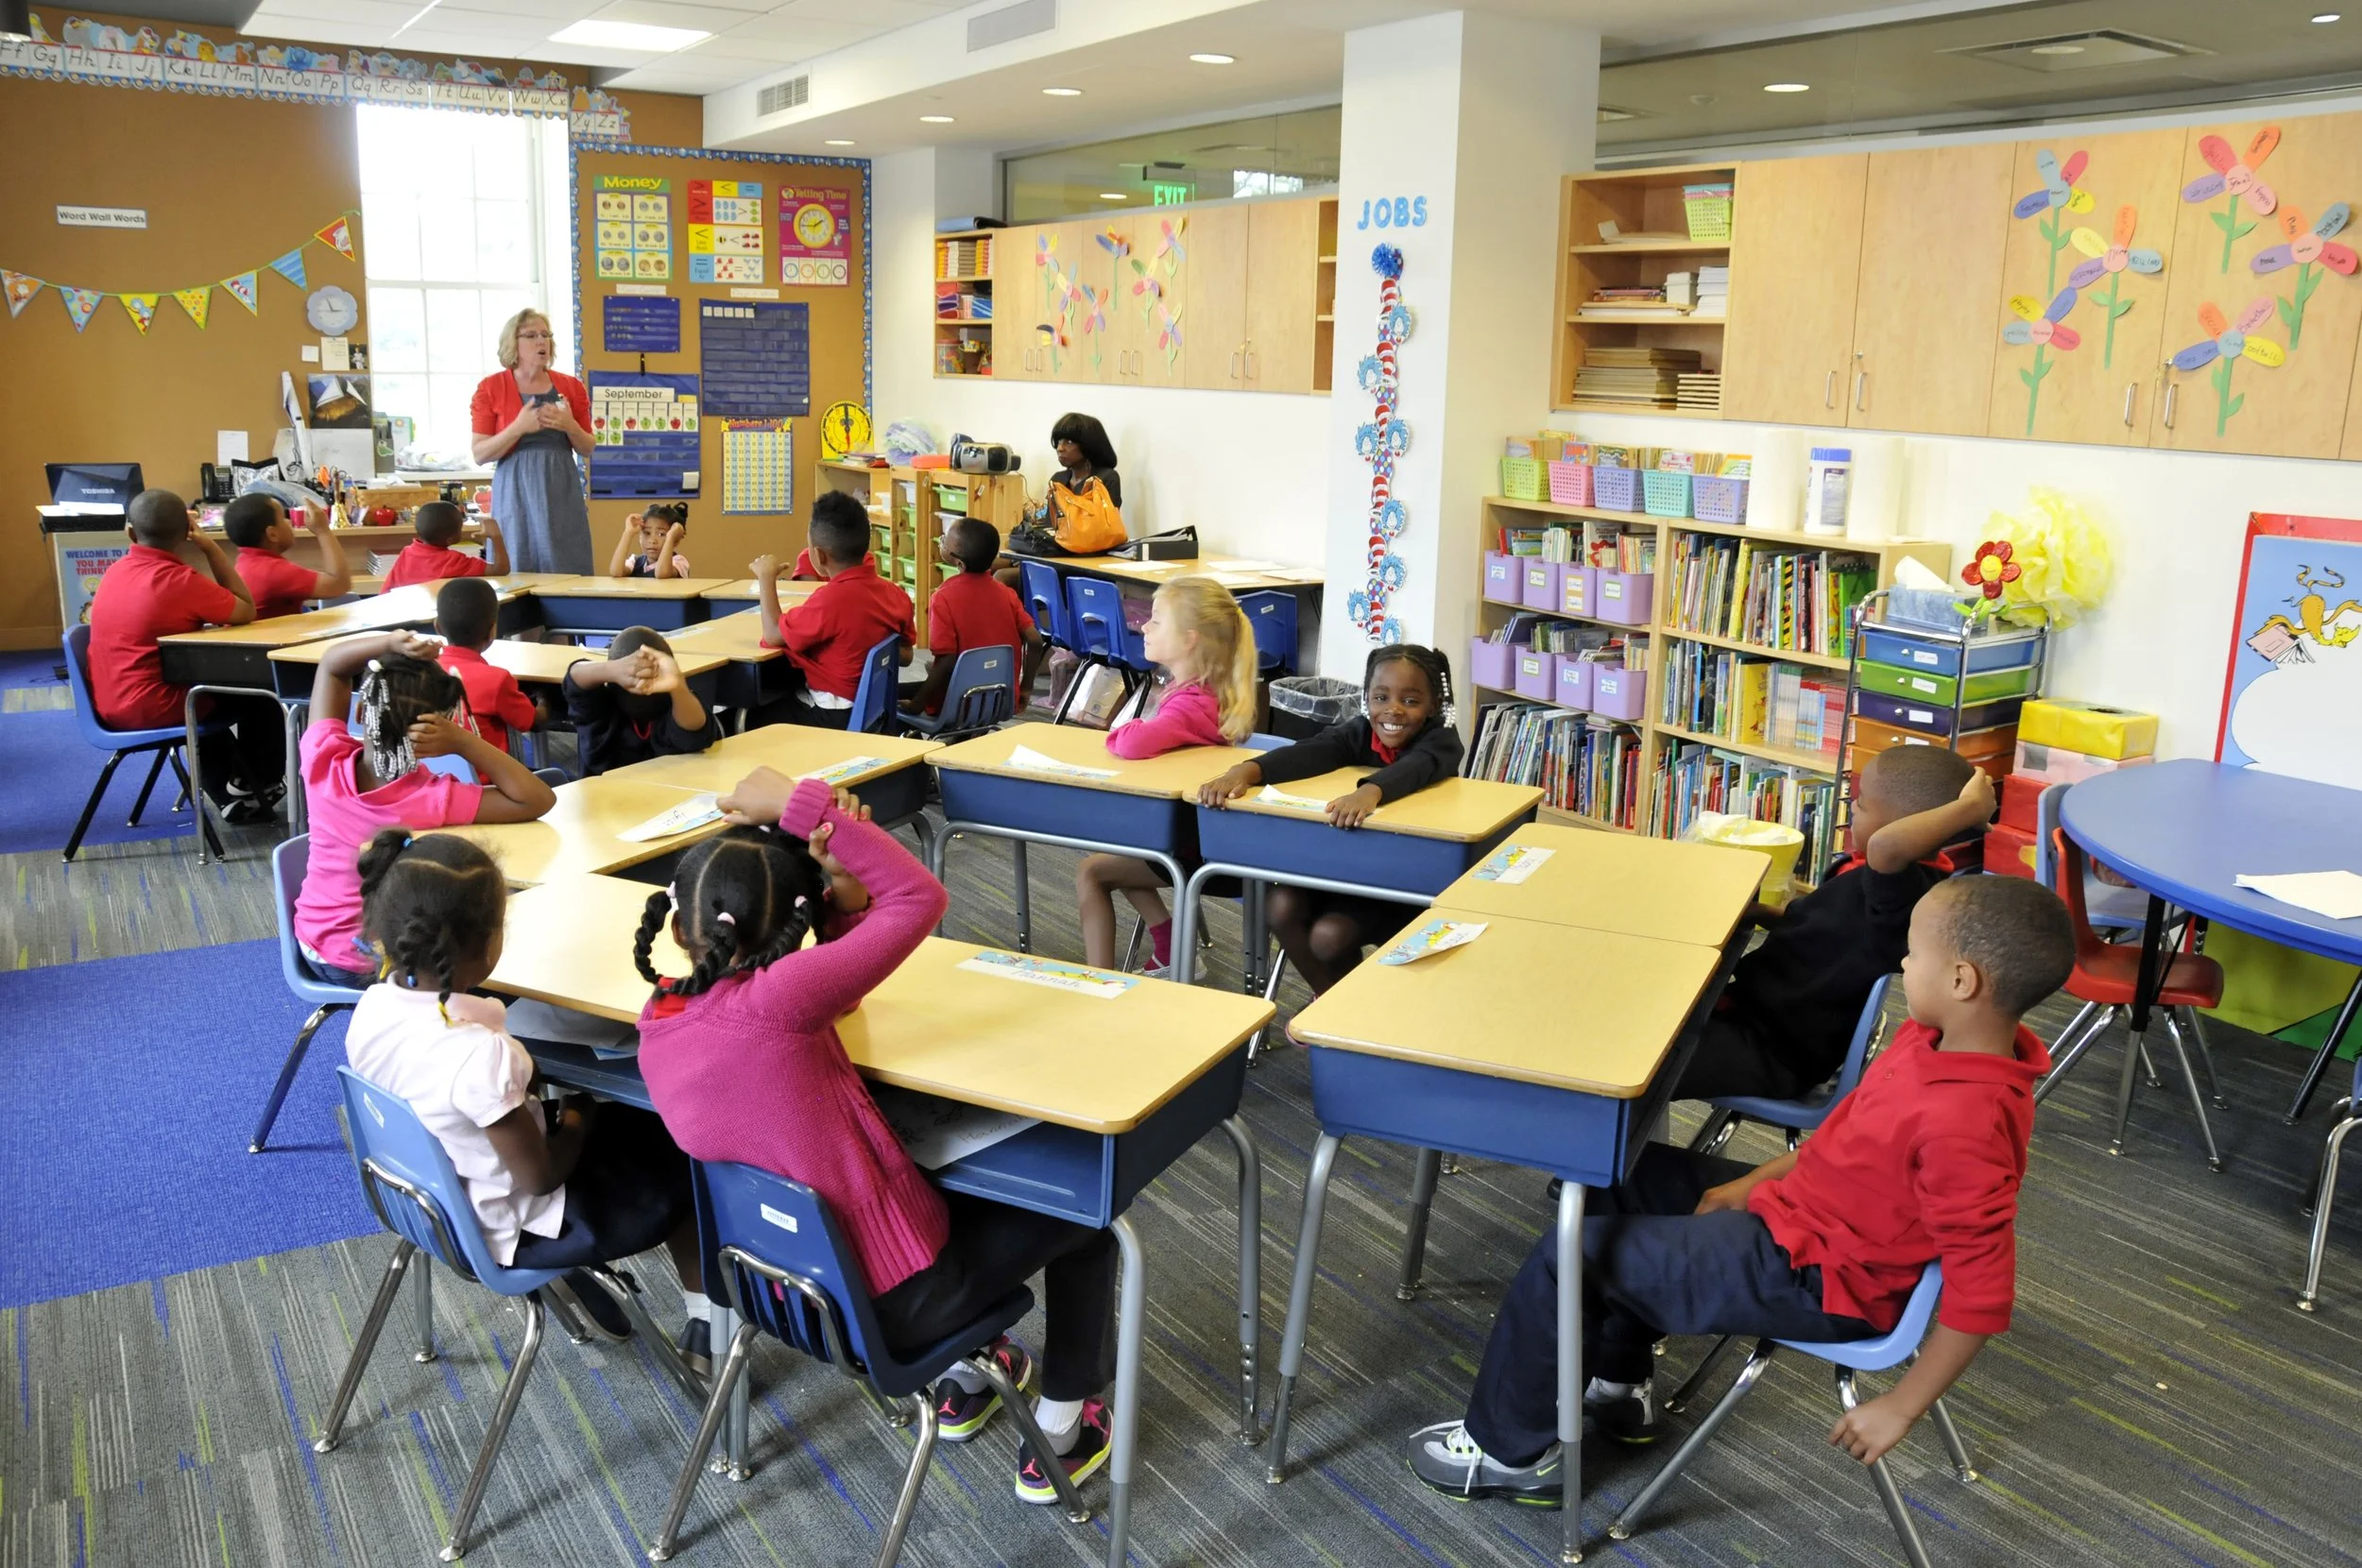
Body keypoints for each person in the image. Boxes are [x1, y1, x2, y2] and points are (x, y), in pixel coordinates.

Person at [1405, 874, 2074, 1504]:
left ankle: (1511, 1456)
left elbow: (1982, 1294)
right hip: (1805, 1216)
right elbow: (1846, 1138)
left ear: (1962, 980)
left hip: (1825, 1276)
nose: (1903, 967)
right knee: (1613, 1172)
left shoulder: (1970, 1123)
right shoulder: (1929, 1039)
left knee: (1574, 1253)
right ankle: (1618, 1379)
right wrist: (1751, 1184)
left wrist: (1901, 1406)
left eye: (1913, 957)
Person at [636, 771, 1121, 1499]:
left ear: (680, 930)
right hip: (893, 1305)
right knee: (1091, 1217)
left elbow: (840, 988)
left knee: (930, 1177)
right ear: (798, 925)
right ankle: (1063, 1427)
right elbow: (921, 898)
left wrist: (843, 902)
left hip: (787, 1292)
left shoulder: (661, 1017)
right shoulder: (783, 1001)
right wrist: (813, 811)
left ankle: (970, 1375)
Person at [343, 828, 703, 1355]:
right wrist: (580, 1110)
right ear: (488, 942)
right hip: (518, 1220)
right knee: (684, 1143)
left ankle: (572, 1275)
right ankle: (708, 1328)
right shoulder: (478, 1055)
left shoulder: (372, 1009)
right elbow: (540, 1177)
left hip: (434, 1203)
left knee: (599, 1120)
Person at [1674, 748, 1997, 1102]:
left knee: (1638, 1066)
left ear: (1905, 826)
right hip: (1750, 1011)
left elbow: (1886, 847)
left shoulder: (1907, 892)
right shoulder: (1869, 873)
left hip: (1773, 1051)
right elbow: (1818, 924)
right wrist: (1760, 912)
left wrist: (1970, 810)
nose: (1852, 808)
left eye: (1863, 803)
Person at [293, 631, 556, 986]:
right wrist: (465, 742)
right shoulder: (430, 799)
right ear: (435, 733)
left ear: (359, 711)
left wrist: (389, 643)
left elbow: (332, 666)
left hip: (313, 944)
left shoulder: (323, 757)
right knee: (496, 949)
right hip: (375, 965)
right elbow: (537, 799)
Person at [1197, 644, 1463, 994]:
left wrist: (1369, 792)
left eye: (1410, 701)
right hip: (1341, 869)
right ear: (1367, 698)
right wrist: (1247, 770)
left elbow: (1418, 767)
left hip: (1400, 884)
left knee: (1328, 936)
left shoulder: (1442, 739)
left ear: (1434, 707)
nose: (1393, 710)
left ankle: (1350, 1011)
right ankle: (1330, 1007)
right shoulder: (1360, 730)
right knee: (1279, 904)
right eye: (1380, 697)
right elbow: (1313, 751)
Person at [1074, 577, 1257, 973]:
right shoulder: (1201, 692)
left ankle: (1098, 984)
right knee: (1116, 847)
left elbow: (1131, 743)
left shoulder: (1192, 704)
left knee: (1093, 870)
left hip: (1197, 848)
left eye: (1157, 620)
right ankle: (1171, 947)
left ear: (1190, 639)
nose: (1144, 626)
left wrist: (1119, 730)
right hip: (1194, 837)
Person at [87, 488, 284, 822]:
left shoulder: (114, 571)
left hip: (105, 704)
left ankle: (231, 794)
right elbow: (245, 610)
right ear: (186, 534)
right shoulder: (180, 580)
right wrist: (210, 548)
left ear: (131, 533)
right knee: (261, 695)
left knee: (203, 692)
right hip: (154, 708)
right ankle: (260, 784)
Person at [753, 491, 915, 727]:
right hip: (874, 708)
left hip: (834, 715)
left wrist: (766, 579)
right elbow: (907, 655)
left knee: (740, 719)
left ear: (818, 555)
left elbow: (773, 634)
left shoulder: (830, 600)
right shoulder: (896, 594)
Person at [468, 307, 594, 575]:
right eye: (531, 335)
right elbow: (480, 454)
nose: (541, 341)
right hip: (515, 487)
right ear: (513, 343)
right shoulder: (491, 388)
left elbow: (588, 447)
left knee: (565, 559)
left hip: (560, 485)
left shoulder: (571, 387)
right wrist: (518, 428)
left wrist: (569, 425)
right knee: (516, 557)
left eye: (546, 335)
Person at [901, 517, 1041, 719]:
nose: (941, 541)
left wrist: (917, 704)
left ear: (959, 563)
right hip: (1001, 700)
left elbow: (947, 661)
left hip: (958, 704)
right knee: (932, 668)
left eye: (944, 541)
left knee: (900, 691)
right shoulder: (1006, 593)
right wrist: (1026, 688)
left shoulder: (943, 597)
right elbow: (1035, 640)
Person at [560, 626, 720, 775]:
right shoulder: (602, 711)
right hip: (606, 801)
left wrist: (678, 687)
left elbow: (695, 732)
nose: (642, 687)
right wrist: (612, 669)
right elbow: (574, 681)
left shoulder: (678, 706)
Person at [996, 413, 1123, 590]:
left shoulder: (1106, 479)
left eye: (1069, 442)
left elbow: (1096, 534)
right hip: (1055, 554)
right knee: (989, 564)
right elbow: (1051, 526)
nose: (1060, 448)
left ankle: (1016, 618)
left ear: (1089, 446)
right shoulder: (1059, 479)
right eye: (1059, 441)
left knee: (1001, 577)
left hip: (1082, 561)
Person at [435, 578, 539, 757]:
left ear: (438, 627)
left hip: (435, 780)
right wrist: (545, 701)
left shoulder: (421, 671)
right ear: (492, 632)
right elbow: (531, 722)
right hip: (490, 782)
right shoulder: (496, 680)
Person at [222, 491, 351, 619]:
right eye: (283, 518)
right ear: (272, 534)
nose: (289, 522)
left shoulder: (246, 562)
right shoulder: (272, 571)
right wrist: (323, 530)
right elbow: (340, 584)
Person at [382, 502, 506, 591]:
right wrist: (496, 537)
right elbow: (500, 570)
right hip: (437, 620)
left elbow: (386, 590)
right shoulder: (454, 561)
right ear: (450, 540)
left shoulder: (407, 552)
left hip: (404, 619)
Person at [609, 503, 691, 579]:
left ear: (675, 541)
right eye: (647, 533)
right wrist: (628, 533)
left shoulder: (679, 561)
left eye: (661, 534)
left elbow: (662, 574)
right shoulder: (635, 561)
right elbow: (616, 572)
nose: (652, 541)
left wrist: (671, 538)